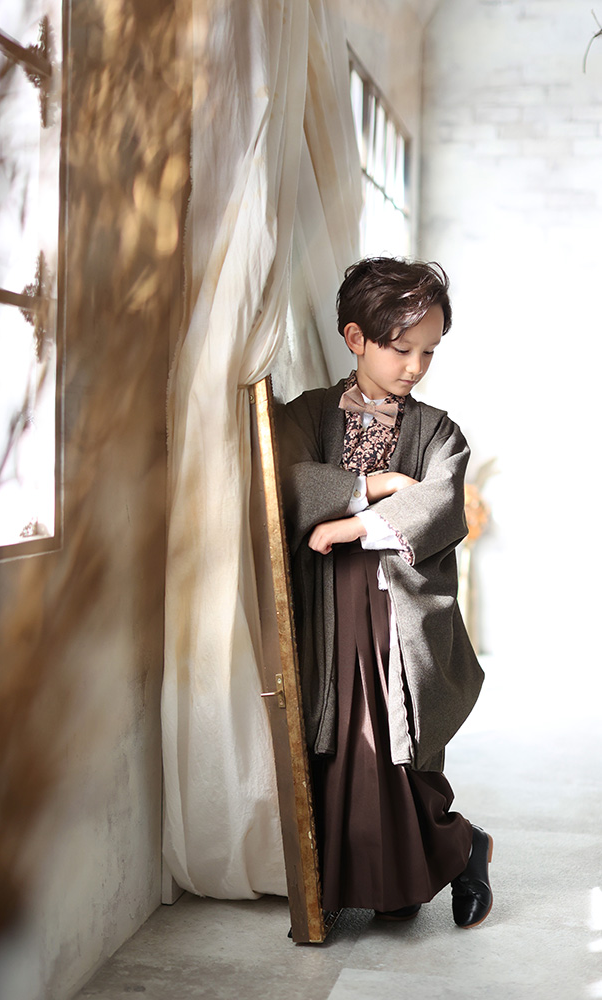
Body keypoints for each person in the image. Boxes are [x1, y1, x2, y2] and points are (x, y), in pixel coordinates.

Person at [278, 256, 493, 928]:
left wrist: (349, 524)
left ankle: (454, 851)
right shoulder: (307, 414)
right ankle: (384, 876)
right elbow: (283, 482)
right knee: (342, 747)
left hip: (397, 618)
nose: (415, 367)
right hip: (330, 615)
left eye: (428, 351)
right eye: (401, 349)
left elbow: (440, 505)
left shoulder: (438, 430)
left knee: (401, 746)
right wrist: (372, 485)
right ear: (354, 338)